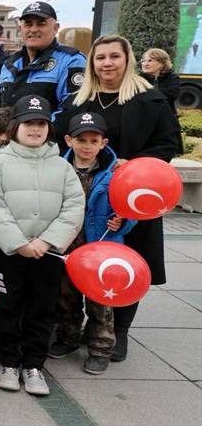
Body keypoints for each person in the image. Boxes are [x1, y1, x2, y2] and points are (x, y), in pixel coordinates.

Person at [53, 34, 181, 362]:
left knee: (124, 264)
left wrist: (132, 164)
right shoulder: (78, 100)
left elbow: (167, 144)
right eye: (100, 57)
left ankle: (118, 330)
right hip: (82, 195)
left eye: (114, 56)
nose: (107, 63)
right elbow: (58, 142)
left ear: (128, 60)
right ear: (91, 62)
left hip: (130, 197)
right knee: (73, 264)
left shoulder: (149, 99)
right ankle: (71, 328)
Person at [0, 94, 85, 396]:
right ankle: (9, 361)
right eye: (28, 123)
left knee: (42, 308)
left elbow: (74, 207)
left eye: (41, 123)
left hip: (49, 253)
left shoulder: (62, 167)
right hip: (8, 251)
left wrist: (47, 241)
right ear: (16, 126)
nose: (35, 129)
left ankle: (34, 365)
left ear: (49, 128)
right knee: (8, 305)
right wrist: (18, 242)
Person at [49, 112, 135, 375]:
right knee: (66, 297)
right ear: (68, 140)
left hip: (101, 248)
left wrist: (122, 222)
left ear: (103, 142)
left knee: (100, 300)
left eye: (93, 140)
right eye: (81, 140)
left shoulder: (116, 172)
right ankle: (68, 338)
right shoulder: (58, 169)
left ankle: (100, 347)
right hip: (68, 247)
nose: (87, 146)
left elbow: (129, 207)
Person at [0, 1, 86, 111]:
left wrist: (30, 128)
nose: (33, 30)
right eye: (28, 24)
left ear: (55, 28)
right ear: (21, 29)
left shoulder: (72, 61)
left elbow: (71, 110)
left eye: (41, 24)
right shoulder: (10, 63)